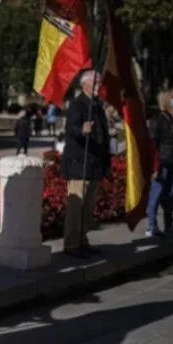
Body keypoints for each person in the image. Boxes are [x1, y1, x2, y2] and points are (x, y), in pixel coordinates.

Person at [61, 69, 110, 257]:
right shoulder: (77, 104)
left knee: (88, 207)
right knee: (77, 206)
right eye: (96, 83)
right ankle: (72, 244)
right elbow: (71, 129)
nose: (99, 86)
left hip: (94, 164)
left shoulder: (97, 105)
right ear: (85, 85)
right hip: (79, 163)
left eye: (100, 83)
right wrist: (82, 129)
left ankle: (83, 240)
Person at [146, 89, 173, 237]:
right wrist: (154, 166)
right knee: (156, 194)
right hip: (162, 163)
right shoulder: (158, 120)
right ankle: (151, 226)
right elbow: (152, 144)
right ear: (167, 101)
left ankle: (169, 225)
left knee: (170, 195)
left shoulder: (171, 118)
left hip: (172, 162)